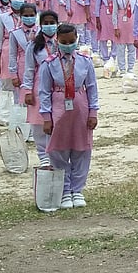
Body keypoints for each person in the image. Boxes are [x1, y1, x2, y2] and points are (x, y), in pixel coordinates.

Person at [37, 24, 99, 209]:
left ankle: (77, 190)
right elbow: (44, 91)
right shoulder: (49, 63)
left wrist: (93, 112)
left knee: (82, 149)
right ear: (57, 41)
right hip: (58, 107)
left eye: (72, 42)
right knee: (59, 150)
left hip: (80, 106)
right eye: (64, 42)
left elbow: (92, 87)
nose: (68, 45)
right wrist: (46, 117)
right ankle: (64, 191)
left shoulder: (85, 61)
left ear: (76, 39)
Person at [22, 10, 59, 167]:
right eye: (46, 23)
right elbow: (29, 69)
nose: (49, 26)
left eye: (52, 23)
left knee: (57, 121)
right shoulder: (34, 45)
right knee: (39, 123)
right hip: (39, 86)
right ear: (41, 25)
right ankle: (43, 157)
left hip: (58, 87)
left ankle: (57, 155)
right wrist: (28, 91)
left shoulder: (62, 42)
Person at [6, 2, 39, 141]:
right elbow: (12, 55)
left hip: (38, 69)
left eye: (32, 15)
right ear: (20, 16)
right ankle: (25, 130)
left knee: (37, 98)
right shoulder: (15, 33)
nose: (29, 18)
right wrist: (13, 74)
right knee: (24, 99)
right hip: (21, 67)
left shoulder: (41, 32)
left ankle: (35, 127)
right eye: (26, 15)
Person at [111, 0, 137, 75]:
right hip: (121, 22)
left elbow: (136, 12)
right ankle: (122, 69)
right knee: (120, 48)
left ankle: (130, 68)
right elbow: (114, 13)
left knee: (132, 47)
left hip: (132, 22)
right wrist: (115, 27)